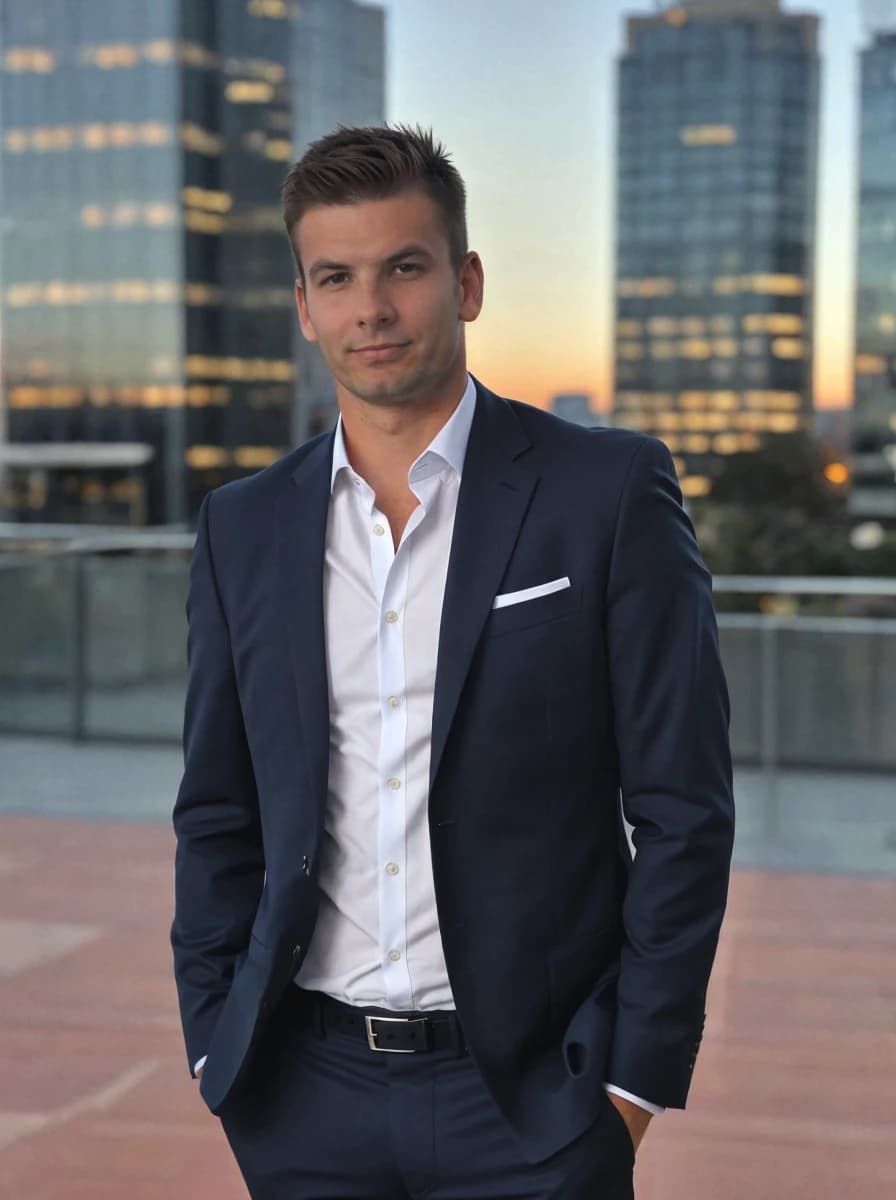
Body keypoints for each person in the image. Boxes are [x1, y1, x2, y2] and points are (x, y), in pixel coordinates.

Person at [171, 125, 735, 1199]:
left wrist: (631, 1081)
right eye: (334, 278)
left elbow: (682, 806)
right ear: (303, 307)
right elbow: (217, 808)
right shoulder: (240, 527)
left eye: (403, 268)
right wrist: (216, 1040)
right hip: (301, 1096)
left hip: (532, 1104)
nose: (370, 310)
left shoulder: (604, 493)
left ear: (465, 283)